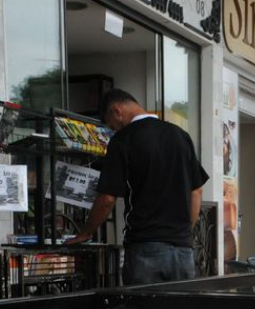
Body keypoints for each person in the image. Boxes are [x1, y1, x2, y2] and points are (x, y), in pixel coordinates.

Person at [66, 89, 208, 285]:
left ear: (116, 111)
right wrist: (184, 232)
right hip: (183, 251)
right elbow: (196, 191)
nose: (114, 129)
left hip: (145, 248)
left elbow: (107, 199)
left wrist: (86, 232)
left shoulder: (123, 140)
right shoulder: (180, 135)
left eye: (111, 125)